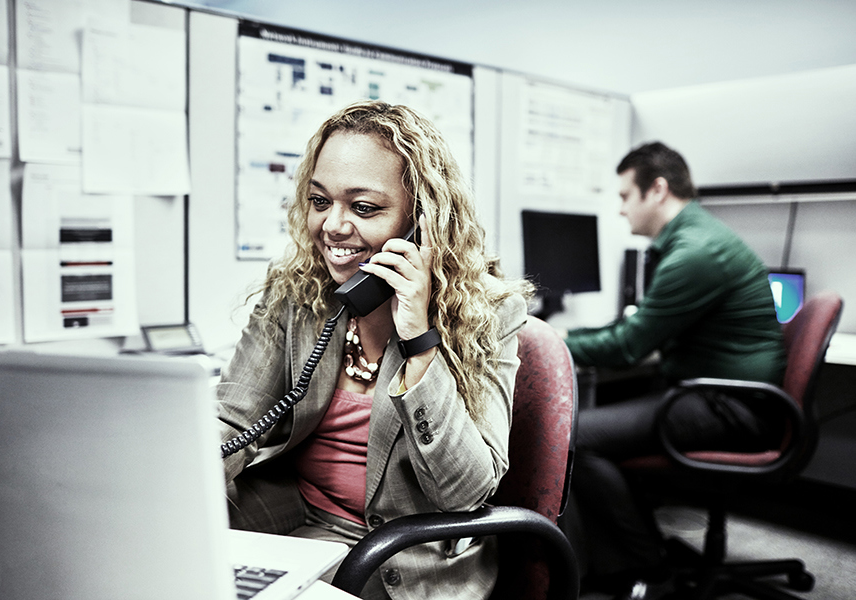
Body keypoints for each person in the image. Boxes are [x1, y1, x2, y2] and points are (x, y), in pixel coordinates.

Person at [217, 100, 532, 600]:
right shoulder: (298, 294)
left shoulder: (490, 315)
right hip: (296, 515)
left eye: (363, 208)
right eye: (321, 202)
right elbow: (234, 422)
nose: (333, 227)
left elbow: (466, 492)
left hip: (404, 554)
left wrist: (420, 341)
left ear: (422, 221)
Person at [559, 142, 786, 600]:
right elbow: (638, 328)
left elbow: (628, 346)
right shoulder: (696, 238)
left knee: (576, 437)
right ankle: (630, 554)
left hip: (731, 408)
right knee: (599, 424)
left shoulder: (695, 253)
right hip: (716, 395)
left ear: (657, 190)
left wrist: (551, 341)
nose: (620, 210)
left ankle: (647, 569)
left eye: (625, 196)